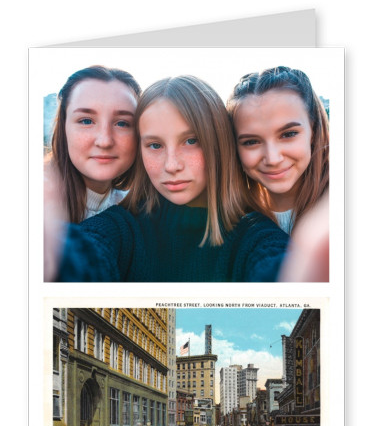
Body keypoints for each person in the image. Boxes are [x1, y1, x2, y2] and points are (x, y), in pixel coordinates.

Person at [47, 75, 289, 282]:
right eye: (155, 145)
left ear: (218, 144)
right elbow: (86, 252)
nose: (171, 165)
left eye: (191, 141)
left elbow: (280, 268)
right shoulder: (122, 227)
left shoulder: (257, 237)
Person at [227, 66, 329, 235]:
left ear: (314, 131)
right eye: (251, 141)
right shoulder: (232, 223)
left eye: (288, 134)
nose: (273, 158)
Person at [47, 65, 141, 223]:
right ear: (64, 128)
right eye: (86, 121)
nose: (104, 141)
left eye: (122, 123)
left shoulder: (139, 213)